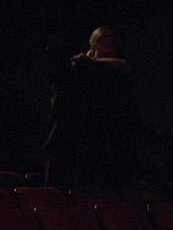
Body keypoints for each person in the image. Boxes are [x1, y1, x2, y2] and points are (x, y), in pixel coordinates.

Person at [44, 25, 139, 191]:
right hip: (69, 139)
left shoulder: (108, 69)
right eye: (107, 45)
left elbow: (124, 66)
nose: (112, 50)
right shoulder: (78, 67)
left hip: (98, 142)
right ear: (96, 44)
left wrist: (89, 61)